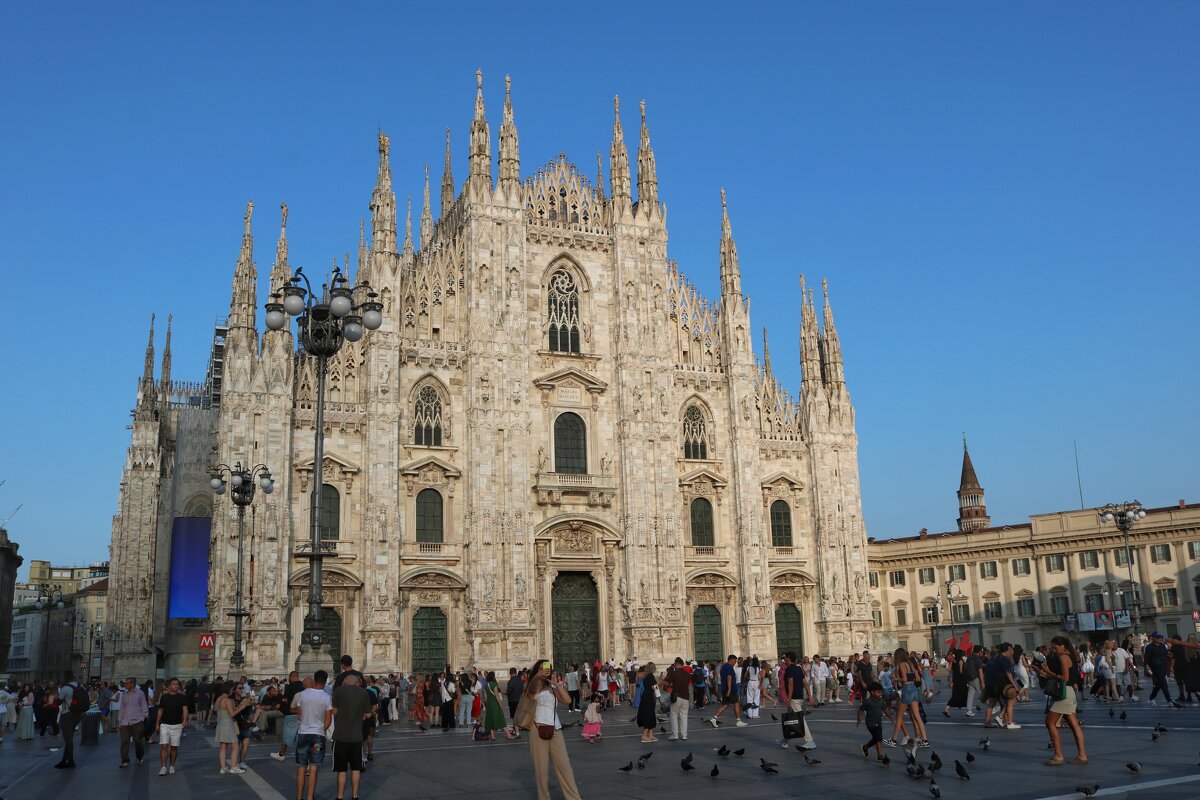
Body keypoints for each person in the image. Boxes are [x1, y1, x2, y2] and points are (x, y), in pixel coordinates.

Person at [524, 659, 582, 800]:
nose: (545, 671)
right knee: (541, 770)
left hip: (555, 729)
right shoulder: (532, 686)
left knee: (565, 766)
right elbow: (530, 692)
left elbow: (567, 700)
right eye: (542, 668)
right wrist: (538, 677)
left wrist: (556, 684)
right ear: (537, 670)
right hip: (537, 728)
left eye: (547, 669)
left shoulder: (551, 687)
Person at [1037, 636, 1087, 766]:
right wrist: (1045, 673)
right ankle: (1082, 755)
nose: (1053, 650)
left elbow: (1064, 678)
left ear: (1062, 646)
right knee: (1074, 724)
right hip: (1070, 692)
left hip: (1064, 693)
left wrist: (1048, 672)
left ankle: (1058, 755)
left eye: (1055, 647)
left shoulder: (1064, 657)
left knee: (1050, 722)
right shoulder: (1071, 656)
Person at [294, 670, 333, 800]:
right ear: (325, 681)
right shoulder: (327, 697)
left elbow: (299, 715)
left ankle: (299, 797)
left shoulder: (302, 695)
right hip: (318, 736)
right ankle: (310, 797)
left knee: (301, 767)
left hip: (303, 734)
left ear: (314, 680)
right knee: (314, 767)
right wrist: (321, 729)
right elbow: (328, 721)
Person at [888, 648, 929, 747]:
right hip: (914, 688)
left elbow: (904, 679)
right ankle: (925, 740)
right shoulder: (909, 663)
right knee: (917, 716)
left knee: (899, 716)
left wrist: (896, 679)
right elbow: (917, 677)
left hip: (907, 689)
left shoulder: (902, 664)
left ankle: (893, 740)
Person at [781, 651, 817, 751]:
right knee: (790, 719)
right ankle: (785, 740)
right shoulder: (798, 668)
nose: (784, 660)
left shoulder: (789, 669)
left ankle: (810, 741)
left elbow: (790, 684)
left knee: (800, 719)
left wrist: (788, 698)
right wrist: (810, 696)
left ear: (789, 659)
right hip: (800, 696)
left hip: (793, 698)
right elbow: (805, 683)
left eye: (785, 658)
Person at [216, 681, 254, 774]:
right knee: (235, 746)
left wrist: (240, 706)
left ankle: (223, 768)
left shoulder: (219, 699)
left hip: (220, 724)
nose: (232, 691)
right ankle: (234, 767)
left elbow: (226, 710)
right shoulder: (227, 700)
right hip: (228, 724)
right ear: (229, 689)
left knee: (223, 747)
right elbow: (232, 714)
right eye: (232, 689)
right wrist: (242, 707)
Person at [155, 678, 189, 776]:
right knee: (164, 746)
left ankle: (172, 765)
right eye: (173, 684)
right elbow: (160, 710)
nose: (176, 686)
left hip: (177, 725)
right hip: (165, 724)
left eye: (177, 684)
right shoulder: (164, 697)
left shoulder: (182, 697)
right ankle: (163, 767)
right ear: (169, 686)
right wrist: (157, 723)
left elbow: (185, 709)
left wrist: (185, 720)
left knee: (174, 747)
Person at [271, 671, 306, 761]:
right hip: (303, 714)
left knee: (287, 735)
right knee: (302, 735)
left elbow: (285, 700)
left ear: (291, 677)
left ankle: (281, 754)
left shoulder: (290, 687)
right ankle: (303, 753)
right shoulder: (303, 686)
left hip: (292, 713)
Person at [707, 654, 748, 728]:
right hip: (731, 689)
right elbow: (729, 678)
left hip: (724, 689)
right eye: (735, 661)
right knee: (736, 703)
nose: (735, 663)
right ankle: (738, 721)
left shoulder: (723, 667)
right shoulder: (729, 668)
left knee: (725, 705)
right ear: (732, 660)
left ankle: (714, 718)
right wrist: (729, 690)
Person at [1144, 632, 1181, 708]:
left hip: (1164, 667)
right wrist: (1147, 666)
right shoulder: (1149, 647)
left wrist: (1169, 654)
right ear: (1153, 638)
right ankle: (1169, 700)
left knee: (1159, 684)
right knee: (1164, 684)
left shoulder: (1163, 646)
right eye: (1158, 637)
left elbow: (1166, 653)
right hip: (1156, 668)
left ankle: (1151, 698)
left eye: (1161, 637)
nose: (1160, 639)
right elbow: (1146, 658)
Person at [117, 676, 148, 767]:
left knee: (137, 741)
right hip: (125, 722)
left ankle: (139, 757)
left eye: (127, 683)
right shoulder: (125, 695)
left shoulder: (140, 693)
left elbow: (144, 706)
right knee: (124, 741)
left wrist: (143, 718)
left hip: (137, 721)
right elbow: (122, 708)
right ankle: (125, 760)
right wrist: (120, 722)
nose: (125, 685)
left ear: (132, 684)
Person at [858, 681, 892, 761]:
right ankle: (880, 755)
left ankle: (866, 747)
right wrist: (859, 718)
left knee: (877, 738)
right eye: (878, 692)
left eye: (881, 692)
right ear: (872, 692)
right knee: (878, 737)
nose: (880, 694)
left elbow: (884, 709)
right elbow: (861, 709)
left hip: (879, 722)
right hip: (870, 723)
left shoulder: (881, 701)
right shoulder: (868, 701)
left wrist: (891, 717)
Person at [667, 656, 691, 741]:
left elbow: (668, 683)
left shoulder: (675, 673)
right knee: (684, 716)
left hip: (676, 696)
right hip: (685, 697)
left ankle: (675, 734)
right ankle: (684, 735)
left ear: (677, 664)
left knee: (674, 715)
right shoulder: (687, 674)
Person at [943, 649, 968, 717]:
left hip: (955, 680)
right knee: (963, 694)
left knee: (955, 695)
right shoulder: (960, 661)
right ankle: (968, 709)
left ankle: (947, 709)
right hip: (961, 681)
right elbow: (961, 671)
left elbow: (949, 670)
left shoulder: (953, 661)